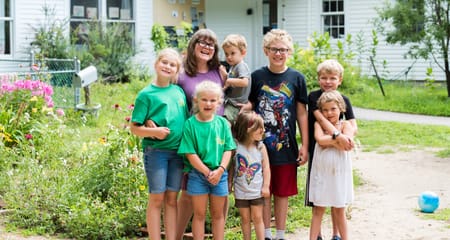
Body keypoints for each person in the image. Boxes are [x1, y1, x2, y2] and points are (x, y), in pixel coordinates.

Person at [247, 29, 309, 240]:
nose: (279, 53)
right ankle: (265, 234)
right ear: (266, 50)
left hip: (286, 145)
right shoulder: (256, 77)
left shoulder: (297, 78)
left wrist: (305, 145)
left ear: (289, 52)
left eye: (283, 50)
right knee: (264, 192)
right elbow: (250, 106)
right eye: (274, 49)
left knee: (282, 193)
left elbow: (302, 113)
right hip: (259, 146)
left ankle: (280, 234)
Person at [129, 48, 189, 240]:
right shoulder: (146, 95)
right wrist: (153, 131)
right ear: (156, 64)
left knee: (172, 199)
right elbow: (134, 128)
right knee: (157, 198)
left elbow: (185, 121)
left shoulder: (178, 92)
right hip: (156, 153)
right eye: (164, 62)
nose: (168, 66)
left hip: (177, 153)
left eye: (172, 65)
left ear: (176, 71)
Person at [175, 28, 228, 240]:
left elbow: (231, 97)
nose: (206, 47)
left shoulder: (220, 72)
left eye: (210, 44)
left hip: (219, 139)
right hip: (194, 138)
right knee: (188, 194)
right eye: (202, 42)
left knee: (221, 192)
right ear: (193, 44)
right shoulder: (181, 73)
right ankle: (176, 236)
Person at [304, 59, 357, 240]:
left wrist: (345, 137)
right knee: (318, 199)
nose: (328, 82)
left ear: (339, 80)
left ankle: (336, 234)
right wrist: (337, 136)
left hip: (339, 155)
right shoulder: (314, 97)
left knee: (337, 199)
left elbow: (352, 126)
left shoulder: (345, 100)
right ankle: (317, 235)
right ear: (319, 79)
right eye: (324, 78)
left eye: (332, 78)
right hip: (319, 152)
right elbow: (320, 119)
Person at [177, 80, 236, 240]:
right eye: (204, 99)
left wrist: (220, 170)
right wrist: (207, 172)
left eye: (212, 100)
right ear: (196, 100)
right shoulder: (190, 124)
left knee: (218, 215)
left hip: (220, 175)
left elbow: (228, 149)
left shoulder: (223, 123)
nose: (208, 103)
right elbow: (190, 153)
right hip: (198, 175)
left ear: (219, 103)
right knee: (199, 214)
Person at [229, 111, 271, 240]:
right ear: (247, 129)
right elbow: (233, 167)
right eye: (259, 128)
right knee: (245, 218)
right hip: (241, 190)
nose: (263, 131)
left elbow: (266, 167)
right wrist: (229, 182)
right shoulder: (236, 146)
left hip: (257, 191)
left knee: (258, 218)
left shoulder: (260, 147)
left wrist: (266, 186)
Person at [220, 34, 251, 125]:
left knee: (226, 124)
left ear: (243, 53)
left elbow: (244, 82)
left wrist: (229, 81)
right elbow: (231, 80)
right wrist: (225, 74)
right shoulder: (233, 67)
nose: (229, 57)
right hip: (232, 102)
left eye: (232, 53)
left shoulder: (241, 66)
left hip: (236, 105)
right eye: (226, 54)